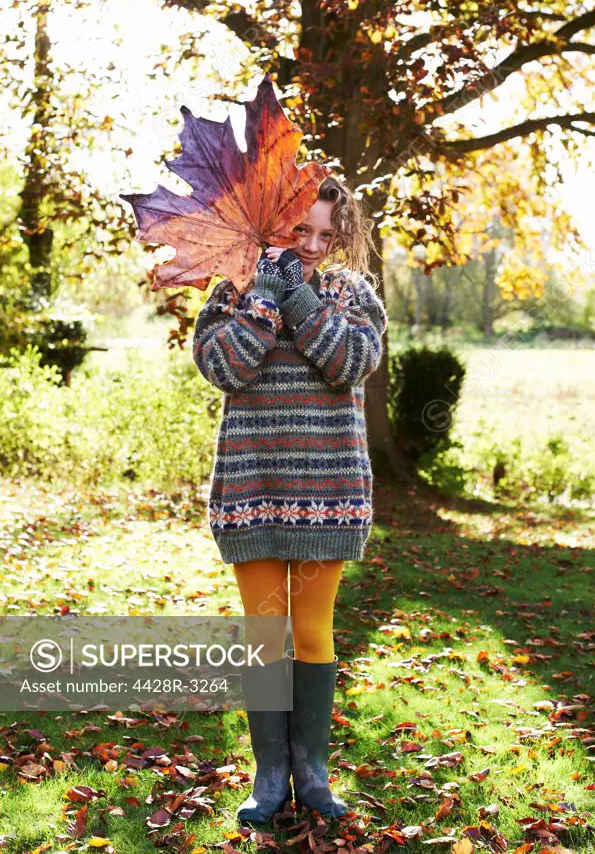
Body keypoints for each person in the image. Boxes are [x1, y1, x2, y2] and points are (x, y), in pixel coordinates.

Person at [192, 174, 388, 825]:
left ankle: (312, 770)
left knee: (310, 632)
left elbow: (352, 360)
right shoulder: (231, 290)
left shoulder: (352, 294)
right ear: (276, 223)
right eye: (299, 230)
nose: (310, 244)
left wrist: (299, 300)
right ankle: (270, 774)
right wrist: (261, 301)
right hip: (251, 489)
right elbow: (222, 366)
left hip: (328, 492)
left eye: (325, 235)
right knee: (262, 638)